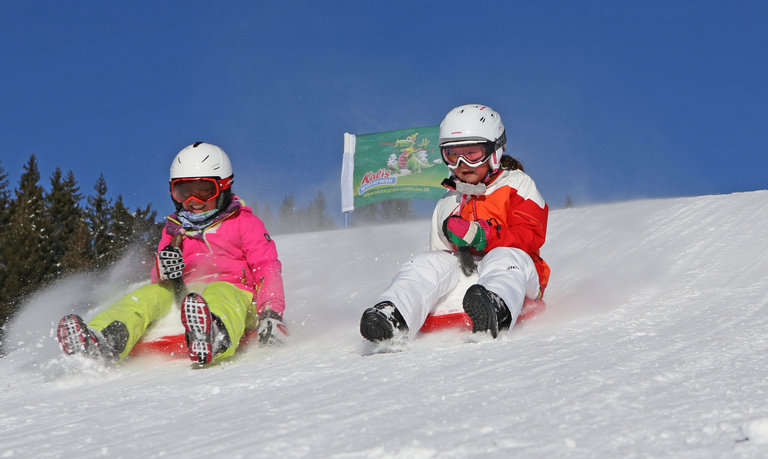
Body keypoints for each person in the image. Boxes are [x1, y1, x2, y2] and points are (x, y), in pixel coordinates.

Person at [56, 142, 287, 365]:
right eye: (184, 192)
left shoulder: (244, 223)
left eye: (204, 191)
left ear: (224, 187)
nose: (193, 201)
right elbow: (160, 281)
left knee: (221, 290)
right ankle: (103, 340)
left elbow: (266, 266)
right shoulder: (174, 229)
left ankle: (214, 335)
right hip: (187, 299)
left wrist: (271, 313)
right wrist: (164, 269)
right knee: (147, 294)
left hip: (240, 299)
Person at [359, 104, 550, 341]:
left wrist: (483, 236)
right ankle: (393, 315)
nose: (462, 163)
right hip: (469, 280)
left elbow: (531, 234)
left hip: (519, 273)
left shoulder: (518, 185)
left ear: (495, 150)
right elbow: (440, 258)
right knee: (424, 263)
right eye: (452, 154)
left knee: (504, 256)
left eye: (472, 154)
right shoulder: (448, 201)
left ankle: (497, 309)